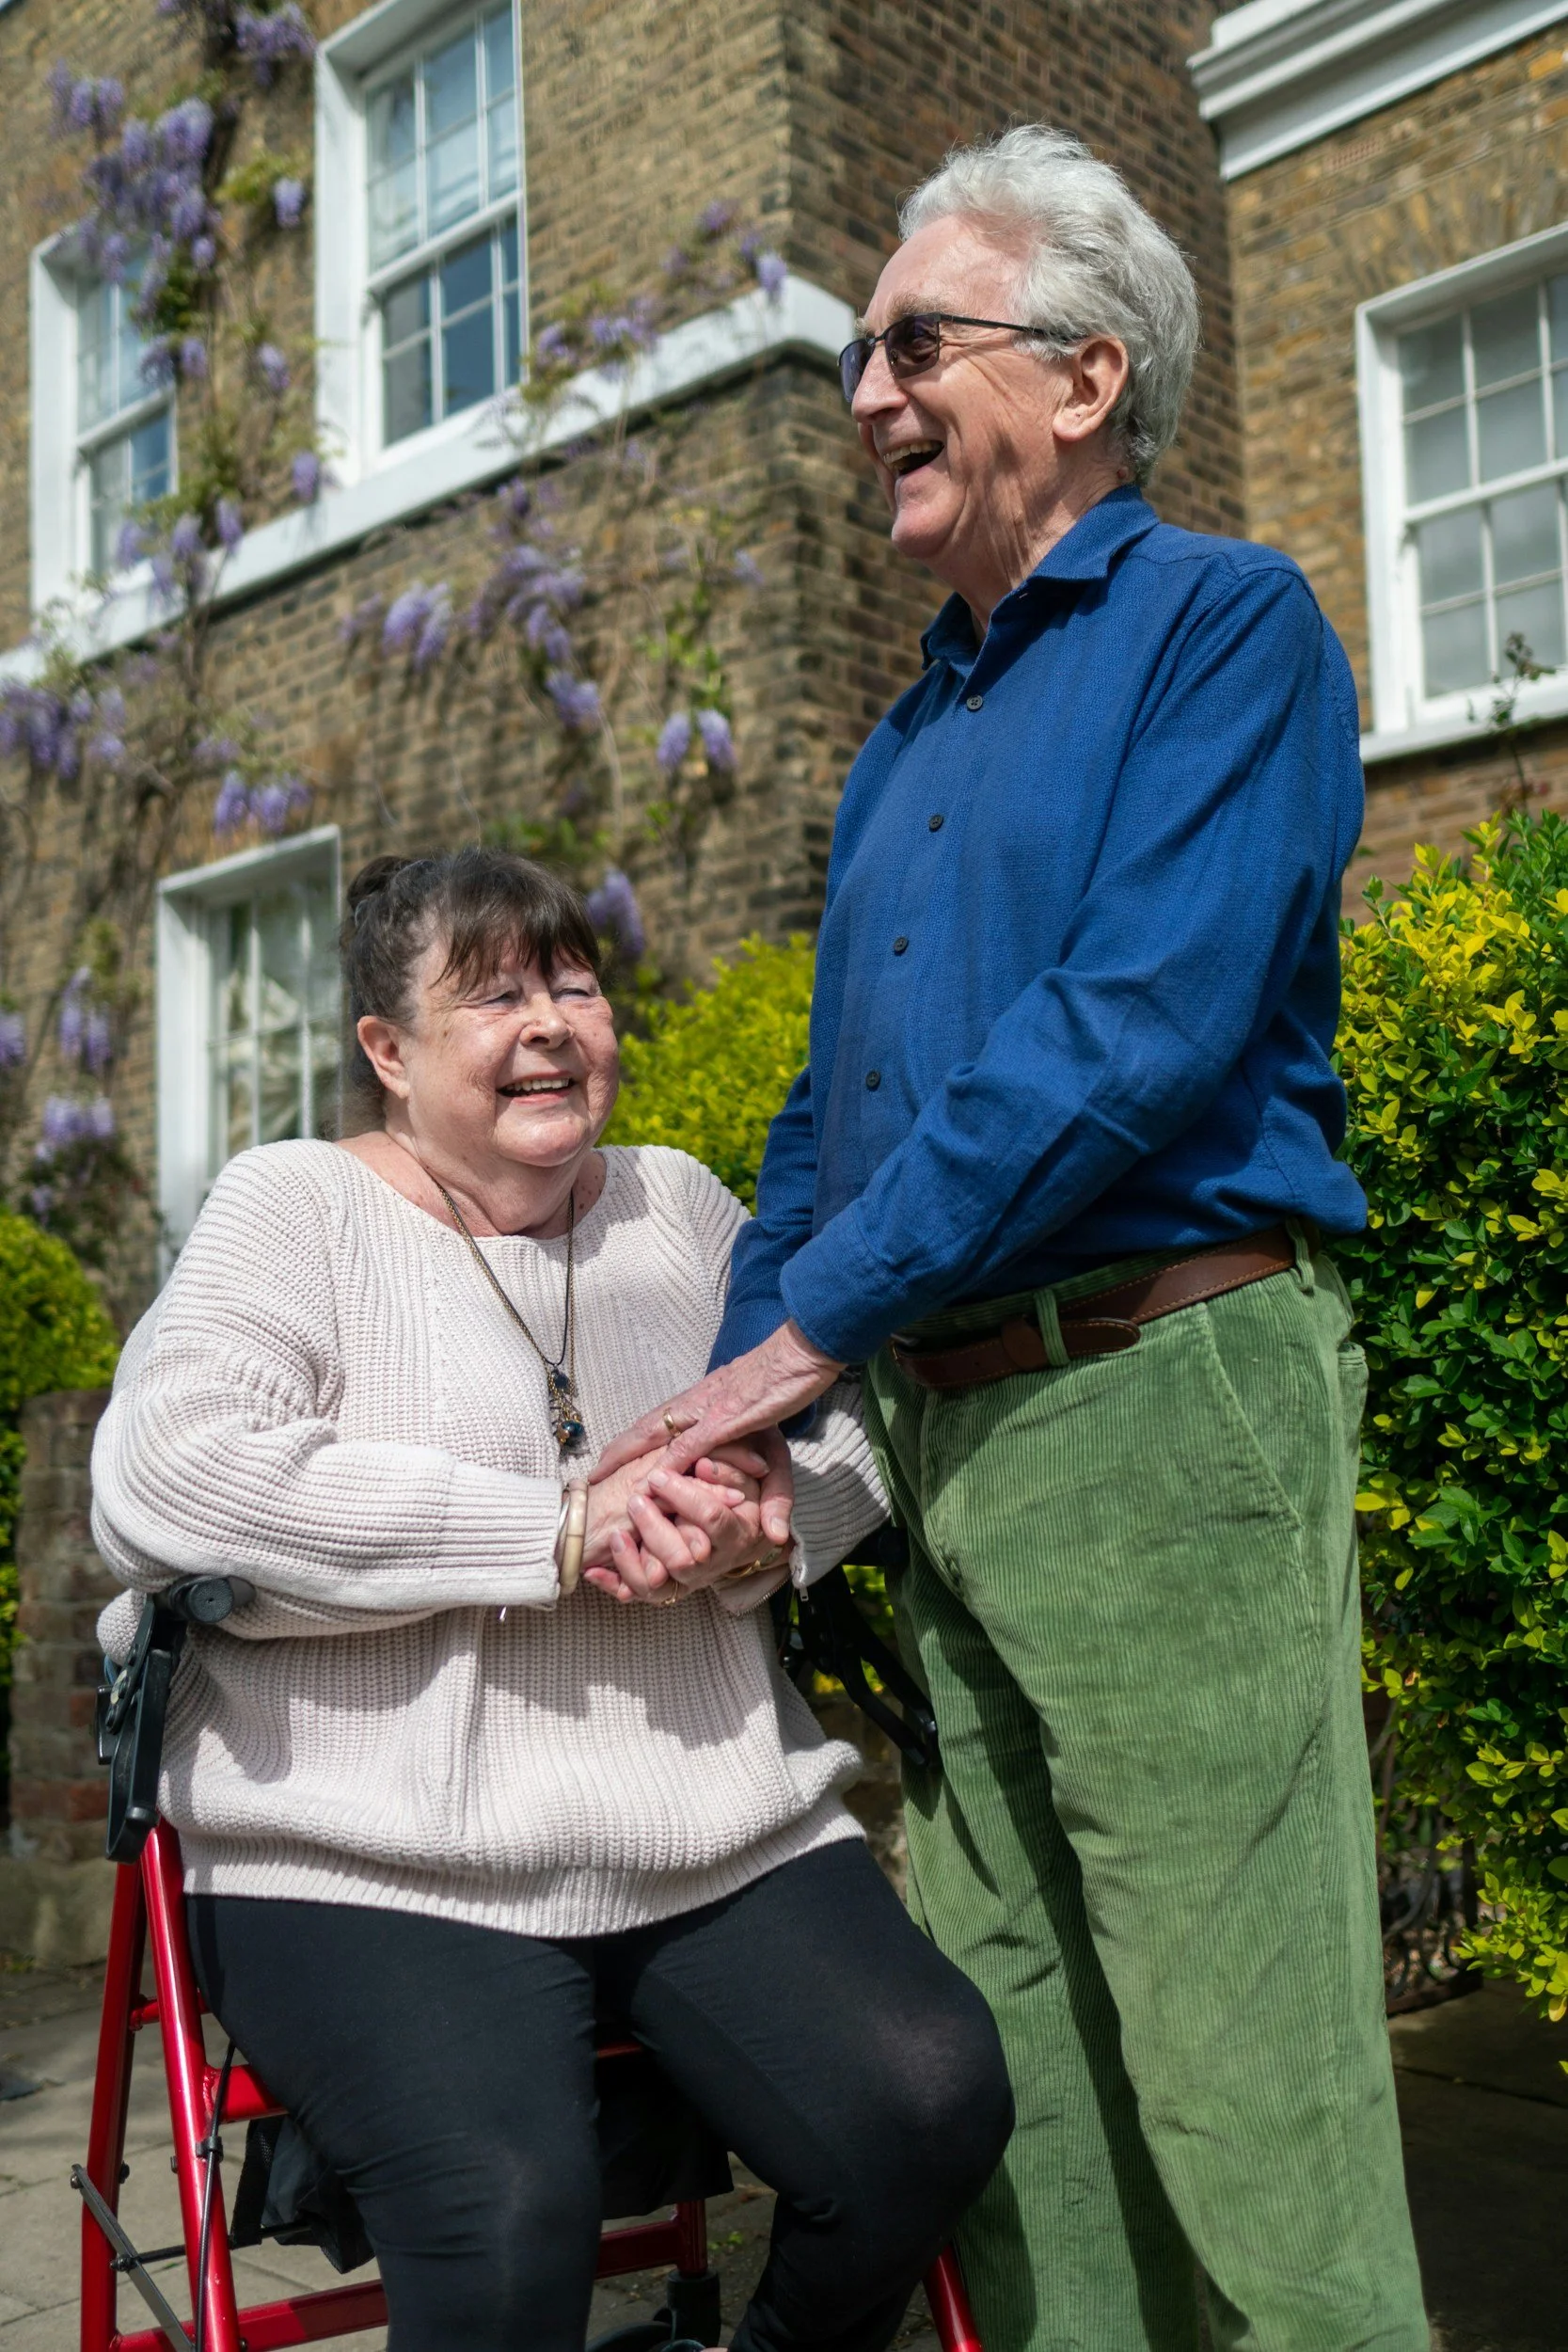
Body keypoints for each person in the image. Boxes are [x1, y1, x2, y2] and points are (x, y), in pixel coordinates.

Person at [594, 127, 1429, 2352]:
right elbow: (822, 1116)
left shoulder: (1218, 627)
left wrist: (798, 1346)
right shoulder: (898, 744)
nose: (863, 392)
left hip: (1158, 1400)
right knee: (1013, 2086)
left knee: (1247, 2084)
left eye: (907, 341)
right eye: (860, 352)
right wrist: (759, 1401)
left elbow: (1130, 1038)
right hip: (946, 1441)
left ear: (1077, 375)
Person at [90, 847, 1013, 2352]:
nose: (551, 1024)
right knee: (509, 2215)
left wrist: (773, 1526)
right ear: (385, 1054)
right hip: (368, 1849)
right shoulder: (295, 1210)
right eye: (495, 995)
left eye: (573, 985)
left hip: (707, 1817)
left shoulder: (680, 1208)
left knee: (928, 2103)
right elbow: (166, 1482)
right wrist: (556, 1527)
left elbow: (852, 1429)